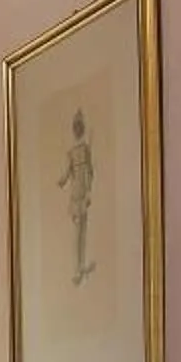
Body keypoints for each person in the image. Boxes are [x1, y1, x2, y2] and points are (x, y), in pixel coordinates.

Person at [59, 109, 98, 287]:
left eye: (79, 126)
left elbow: (90, 172)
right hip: (75, 195)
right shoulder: (71, 152)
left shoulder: (86, 150)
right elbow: (68, 172)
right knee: (76, 234)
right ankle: (76, 268)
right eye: (75, 127)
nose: (77, 130)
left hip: (83, 195)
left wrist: (89, 192)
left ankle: (82, 265)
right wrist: (62, 180)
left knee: (84, 232)